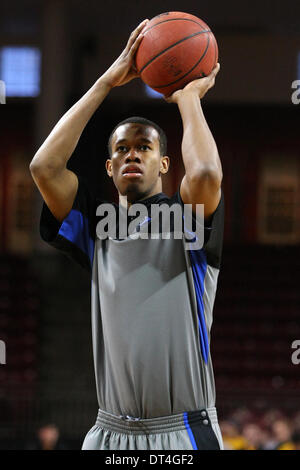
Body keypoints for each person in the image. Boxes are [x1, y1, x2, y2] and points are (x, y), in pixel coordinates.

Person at [30, 19, 224, 450]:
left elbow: (208, 172)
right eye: (121, 148)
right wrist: (105, 82)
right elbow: (43, 168)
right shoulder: (97, 231)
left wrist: (187, 96)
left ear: (165, 164)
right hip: (108, 434)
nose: (132, 154)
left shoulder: (188, 220)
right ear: (109, 167)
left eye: (144, 147)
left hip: (183, 431)